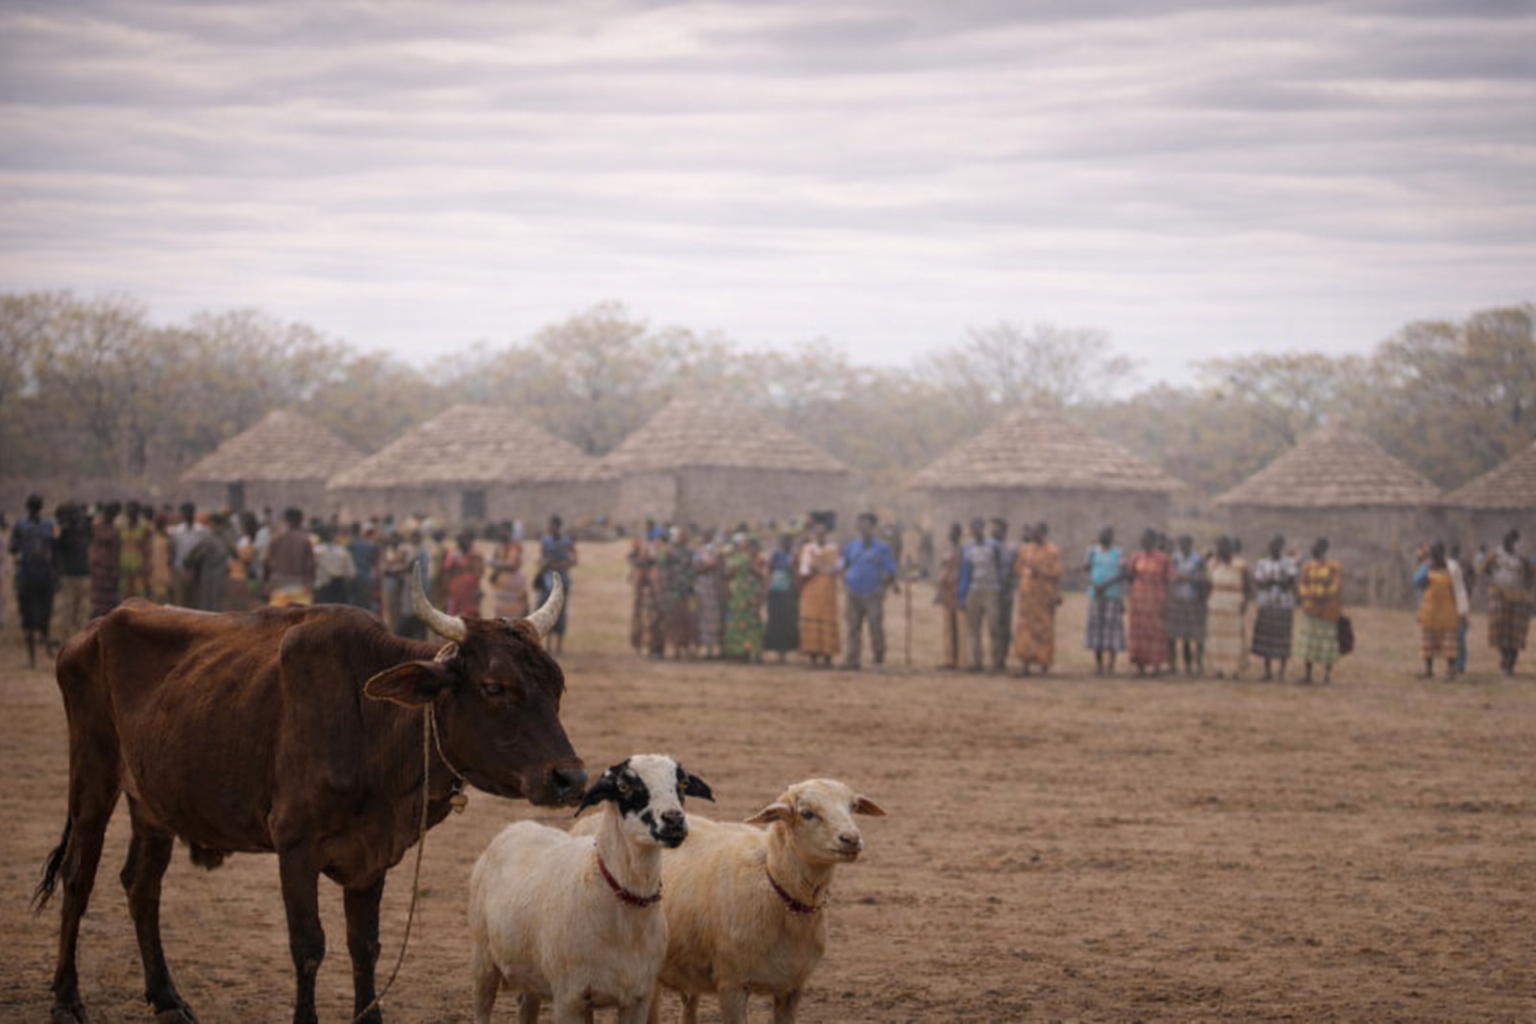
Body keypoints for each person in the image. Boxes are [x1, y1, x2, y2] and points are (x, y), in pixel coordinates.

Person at [841, 512, 899, 669]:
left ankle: (878, 657)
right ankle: (852, 659)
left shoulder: (882, 548)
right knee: (853, 626)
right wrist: (845, 579)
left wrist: (886, 584)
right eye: (861, 525)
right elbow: (843, 564)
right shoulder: (851, 546)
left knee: (875, 625)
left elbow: (890, 570)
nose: (863, 528)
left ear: (873, 527)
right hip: (853, 591)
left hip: (873, 592)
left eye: (867, 525)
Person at [9, 494, 57, 667]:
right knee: (45, 612)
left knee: (27, 615)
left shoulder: (20, 525)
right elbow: (57, 545)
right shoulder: (50, 525)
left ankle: (32, 659)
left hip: (27, 575)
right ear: (41, 507)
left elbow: (13, 548)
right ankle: (48, 648)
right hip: (44, 574)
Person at [1478, 529, 1533, 675]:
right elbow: (1483, 569)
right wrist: (1491, 581)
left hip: (1518, 598)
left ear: (1514, 542)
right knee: (1500, 631)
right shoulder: (1495, 555)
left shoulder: (1521, 557)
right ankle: (1504, 657)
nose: (1506, 542)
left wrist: (1528, 586)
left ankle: (1510, 663)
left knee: (1515, 634)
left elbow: (1531, 573)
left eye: (1510, 540)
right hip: (1499, 596)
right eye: (1505, 539)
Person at [1012, 522, 1062, 676]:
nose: (1034, 535)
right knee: (1025, 629)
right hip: (1028, 598)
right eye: (1033, 532)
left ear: (1044, 533)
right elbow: (1017, 568)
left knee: (1044, 630)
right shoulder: (1026, 550)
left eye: (1038, 532)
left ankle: (1043, 663)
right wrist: (1027, 572)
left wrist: (1040, 571)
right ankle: (1025, 663)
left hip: (1044, 598)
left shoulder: (1052, 551)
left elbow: (1057, 572)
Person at [958, 517, 1006, 673]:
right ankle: (975, 661)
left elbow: (1001, 568)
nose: (975, 531)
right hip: (974, 589)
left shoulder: (994, 546)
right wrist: (962, 594)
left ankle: (996, 662)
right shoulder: (967, 548)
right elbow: (965, 572)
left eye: (978, 527)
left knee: (994, 626)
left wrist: (1001, 588)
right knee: (973, 628)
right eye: (973, 528)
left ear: (982, 528)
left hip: (992, 589)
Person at [1295, 537, 1344, 684]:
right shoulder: (1308, 566)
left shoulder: (1334, 567)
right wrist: (1308, 595)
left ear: (1323, 548)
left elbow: (1336, 586)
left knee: (1327, 643)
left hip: (1328, 611)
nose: (1312, 549)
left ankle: (1326, 675)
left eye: (1315, 546)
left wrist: (1322, 595)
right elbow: (1302, 585)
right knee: (1309, 643)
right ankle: (1308, 674)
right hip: (1311, 609)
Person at [1125, 527, 1173, 676]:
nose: (1144, 541)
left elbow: (1169, 580)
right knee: (1139, 633)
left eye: (1147, 539)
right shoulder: (1136, 556)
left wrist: (1168, 601)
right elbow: (1130, 576)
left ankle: (1156, 665)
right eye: (1142, 538)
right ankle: (1140, 666)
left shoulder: (1163, 558)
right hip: (1139, 601)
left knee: (1156, 632)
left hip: (1156, 600)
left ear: (1153, 540)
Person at [1251, 533, 1298, 681]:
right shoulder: (1262, 563)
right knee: (1267, 639)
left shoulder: (1289, 563)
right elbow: (1259, 582)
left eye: (1277, 545)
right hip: (1266, 604)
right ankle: (1267, 670)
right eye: (1271, 545)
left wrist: (1272, 581)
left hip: (1283, 605)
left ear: (1281, 546)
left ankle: (1281, 672)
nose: (1273, 548)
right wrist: (1277, 581)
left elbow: (1290, 582)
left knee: (1282, 639)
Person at [798, 516, 842, 668]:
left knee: (828, 617)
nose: (820, 534)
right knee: (811, 616)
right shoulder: (808, 549)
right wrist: (815, 569)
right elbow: (804, 569)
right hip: (811, 587)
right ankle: (812, 655)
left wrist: (821, 568)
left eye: (822, 532)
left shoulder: (833, 549)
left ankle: (827, 655)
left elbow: (837, 568)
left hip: (827, 588)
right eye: (817, 531)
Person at [1083, 526, 1126, 676]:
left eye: (1107, 534)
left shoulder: (1118, 553)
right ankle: (1099, 664)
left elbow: (1122, 573)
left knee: (1112, 631)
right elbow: (1087, 569)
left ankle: (1111, 665)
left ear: (1112, 537)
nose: (1104, 536)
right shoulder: (1092, 551)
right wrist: (1094, 584)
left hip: (1112, 596)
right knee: (1097, 631)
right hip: (1095, 595)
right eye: (1102, 534)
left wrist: (1106, 585)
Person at [1205, 536, 1249, 679]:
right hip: (1217, 605)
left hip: (1234, 604)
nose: (1221, 550)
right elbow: (1207, 585)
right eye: (1219, 547)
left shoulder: (1240, 565)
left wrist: (1245, 602)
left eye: (1225, 546)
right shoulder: (1212, 565)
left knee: (1234, 637)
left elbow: (1248, 586)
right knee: (1217, 637)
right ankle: (1218, 668)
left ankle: (1234, 669)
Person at [1415, 542, 1460, 680]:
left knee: (1449, 643)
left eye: (1438, 554)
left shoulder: (1451, 569)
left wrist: (1462, 610)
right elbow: (1417, 582)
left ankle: (1450, 670)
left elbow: (1458, 590)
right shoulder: (1427, 568)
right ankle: (1428, 670)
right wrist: (1425, 568)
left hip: (1447, 612)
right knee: (1428, 642)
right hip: (1430, 612)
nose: (1436, 557)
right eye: (1434, 554)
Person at [536, 515, 578, 653]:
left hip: (561, 578)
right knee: (545, 610)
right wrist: (544, 563)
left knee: (561, 612)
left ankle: (559, 646)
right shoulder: (546, 540)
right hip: (547, 578)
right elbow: (540, 557)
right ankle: (547, 645)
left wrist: (559, 564)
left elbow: (574, 560)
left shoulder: (566, 541)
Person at [52, 502, 93, 643]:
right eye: (73, 513)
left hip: (84, 575)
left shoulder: (85, 529)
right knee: (67, 609)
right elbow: (55, 549)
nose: (76, 516)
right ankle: (67, 640)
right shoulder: (61, 530)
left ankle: (81, 640)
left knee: (83, 609)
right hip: (68, 575)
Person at [722, 534, 767, 661]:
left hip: (744, 591)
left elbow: (757, 573)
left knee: (746, 620)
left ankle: (747, 650)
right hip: (741, 591)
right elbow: (728, 574)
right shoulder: (738, 558)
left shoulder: (739, 557)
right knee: (742, 620)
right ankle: (742, 651)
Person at [1168, 534, 1208, 675]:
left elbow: (1202, 578)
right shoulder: (1175, 558)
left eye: (1186, 543)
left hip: (1194, 601)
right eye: (1182, 543)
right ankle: (1186, 664)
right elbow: (1170, 576)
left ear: (1191, 544)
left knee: (1197, 636)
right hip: (1179, 600)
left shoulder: (1197, 560)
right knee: (1183, 636)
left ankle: (1199, 662)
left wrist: (1188, 578)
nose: (1184, 546)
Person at [657, 527, 698, 659]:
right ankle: (675, 648)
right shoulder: (668, 552)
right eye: (677, 536)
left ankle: (686, 648)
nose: (680, 538)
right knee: (674, 620)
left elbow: (694, 569)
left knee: (688, 620)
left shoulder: (689, 552)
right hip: (673, 591)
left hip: (687, 591)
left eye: (681, 536)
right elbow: (662, 567)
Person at [262, 507, 315, 606]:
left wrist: (265, 584)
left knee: (278, 621)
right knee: (299, 621)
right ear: (300, 521)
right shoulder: (305, 541)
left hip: (277, 588)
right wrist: (309, 585)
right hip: (300, 588)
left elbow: (266, 564)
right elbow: (310, 566)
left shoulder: (275, 539)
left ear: (285, 520)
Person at [185, 512, 236, 612]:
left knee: (215, 600)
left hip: (218, 573)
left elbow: (233, 553)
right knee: (206, 599)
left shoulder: (224, 539)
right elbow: (194, 555)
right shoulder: (208, 539)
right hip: (208, 572)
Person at [763, 531, 800, 663]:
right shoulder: (775, 554)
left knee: (787, 621)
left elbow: (796, 573)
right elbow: (768, 570)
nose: (787, 543)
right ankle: (777, 651)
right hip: (775, 590)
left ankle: (785, 652)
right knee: (775, 620)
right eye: (784, 540)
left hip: (788, 591)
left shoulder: (794, 556)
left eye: (789, 540)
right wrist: (766, 588)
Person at [935, 523, 967, 670]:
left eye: (954, 532)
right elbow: (942, 571)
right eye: (950, 532)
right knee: (948, 627)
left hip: (958, 592)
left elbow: (965, 572)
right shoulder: (946, 551)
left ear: (959, 534)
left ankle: (961, 660)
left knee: (960, 627)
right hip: (947, 592)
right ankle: (948, 659)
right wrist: (939, 592)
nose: (951, 534)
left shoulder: (964, 551)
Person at [626, 521, 660, 656]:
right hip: (641, 584)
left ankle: (654, 647)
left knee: (654, 615)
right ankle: (638, 646)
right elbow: (630, 556)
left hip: (654, 586)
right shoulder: (639, 541)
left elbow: (661, 559)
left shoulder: (658, 542)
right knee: (638, 615)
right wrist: (638, 562)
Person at [693, 527, 725, 659]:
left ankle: (713, 648)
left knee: (714, 617)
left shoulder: (717, 551)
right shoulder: (699, 551)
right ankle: (705, 648)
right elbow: (697, 567)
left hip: (715, 587)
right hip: (702, 587)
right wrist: (710, 565)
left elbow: (721, 567)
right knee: (702, 616)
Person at [167, 502, 206, 607]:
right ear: (182, 514)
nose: (187, 514)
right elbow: (172, 551)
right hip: (180, 569)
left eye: (190, 512)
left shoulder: (201, 530)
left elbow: (204, 550)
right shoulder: (177, 531)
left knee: (196, 599)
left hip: (197, 570)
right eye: (185, 512)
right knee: (181, 600)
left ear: (193, 513)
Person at [88, 501, 122, 618]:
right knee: (98, 604)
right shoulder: (98, 528)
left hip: (108, 570)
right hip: (100, 569)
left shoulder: (114, 530)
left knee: (107, 604)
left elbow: (116, 553)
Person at [490, 523, 530, 619]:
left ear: (509, 531)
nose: (500, 533)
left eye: (503, 530)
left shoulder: (514, 546)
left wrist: (495, 563)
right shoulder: (499, 546)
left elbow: (512, 564)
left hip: (514, 582)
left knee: (515, 617)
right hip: (502, 587)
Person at [440, 530, 484, 617]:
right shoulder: (453, 553)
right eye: (463, 539)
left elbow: (479, 573)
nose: (466, 542)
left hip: (470, 595)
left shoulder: (476, 555)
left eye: (469, 539)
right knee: (454, 618)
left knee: (471, 619)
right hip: (455, 593)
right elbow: (446, 569)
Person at [990, 517, 1017, 658]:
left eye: (998, 528)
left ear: (1004, 531)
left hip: (1005, 591)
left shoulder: (1010, 549)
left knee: (1005, 625)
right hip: (990, 590)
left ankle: (1002, 657)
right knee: (994, 625)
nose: (994, 531)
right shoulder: (988, 547)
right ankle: (995, 656)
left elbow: (1015, 569)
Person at [118, 500, 152, 600]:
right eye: (128, 509)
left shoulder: (145, 527)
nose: (130, 512)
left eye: (133, 510)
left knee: (138, 597)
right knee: (124, 596)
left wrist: (146, 566)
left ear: (138, 511)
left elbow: (148, 549)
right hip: (124, 567)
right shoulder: (121, 526)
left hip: (139, 568)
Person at [346, 523, 379, 611]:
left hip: (353, 576)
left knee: (353, 603)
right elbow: (375, 563)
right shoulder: (371, 545)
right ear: (360, 531)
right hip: (366, 576)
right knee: (366, 602)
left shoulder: (349, 545)